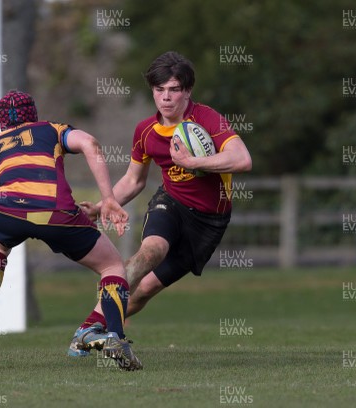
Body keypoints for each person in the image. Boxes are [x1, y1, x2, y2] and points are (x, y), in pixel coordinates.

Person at [68, 51, 252, 355]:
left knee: (143, 292)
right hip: (171, 203)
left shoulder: (207, 119)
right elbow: (134, 180)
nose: (166, 98)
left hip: (209, 222)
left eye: (174, 89)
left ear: (187, 91)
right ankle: (89, 326)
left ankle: (94, 332)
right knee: (152, 251)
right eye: (159, 90)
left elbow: (242, 159)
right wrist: (104, 205)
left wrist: (193, 161)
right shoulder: (145, 131)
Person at [0, 90, 142, 371]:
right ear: (34, 113)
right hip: (56, 211)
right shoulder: (51, 130)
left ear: (1, 121)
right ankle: (115, 336)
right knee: (113, 265)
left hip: (8, 211)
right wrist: (109, 200)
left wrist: (22, 218)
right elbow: (90, 143)